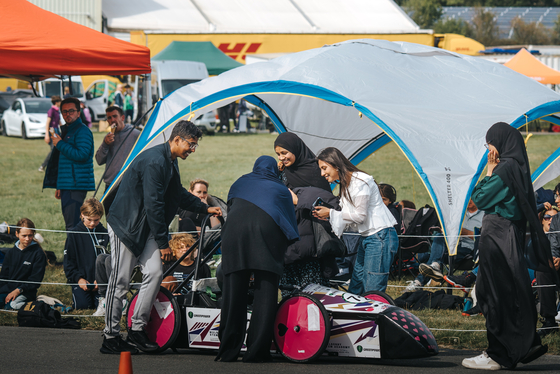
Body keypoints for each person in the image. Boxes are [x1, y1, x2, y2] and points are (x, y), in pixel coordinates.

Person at [101, 120, 222, 355]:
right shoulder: (156, 161)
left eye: (195, 146)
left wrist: (204, 208)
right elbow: (154, 204)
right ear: (177, 139)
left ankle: (136, 329)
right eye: (191, 144)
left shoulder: (171, 161)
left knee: (156, 273)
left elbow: (177, 194)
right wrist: (164, 242)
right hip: (126, 227)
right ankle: (110, 336)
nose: (192, 150)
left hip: (145, 228)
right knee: (120, 281)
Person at [462, 122, 554, 370]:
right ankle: (512, 348)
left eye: (489, 143)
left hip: (498, 235)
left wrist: (490, 170)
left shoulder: (504, 169)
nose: (488, 148)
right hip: (508, 234)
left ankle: (498, 354)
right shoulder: (518, 166)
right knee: (503, 291)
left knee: (495, 293)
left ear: (500, 142)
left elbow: (479, 198)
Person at [216, 156, 298, 362]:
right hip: (265, 240)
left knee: (233, 294)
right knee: (265, 294)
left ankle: (228, 349)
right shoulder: (280, 189)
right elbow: (289, 223)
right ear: (274, 170)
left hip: (234, 239)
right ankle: (257, 351)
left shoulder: (239, 183)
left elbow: (232, 208)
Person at [313, 147, 398, 294]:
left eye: (324, 168)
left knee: (372, 288)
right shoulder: (347, 184)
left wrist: (332, 213)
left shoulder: (360, 181)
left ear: (335, 164)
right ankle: (354, 316)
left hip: (380, 236)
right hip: (369, 237)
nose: (322, 173)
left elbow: (360, 216)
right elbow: (351, 217)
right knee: (356, 284)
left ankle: (373, 316)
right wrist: (329, 215)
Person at [274, 133, 336, 294]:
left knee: (313, 292)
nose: (281, 157)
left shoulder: (315, 170)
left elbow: (326, 200)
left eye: (284, 153)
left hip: (312, 240)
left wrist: (299, 200)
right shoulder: (283, 172)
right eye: (278, 154)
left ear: (295, 149)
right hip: (288, 235)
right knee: (289, 290)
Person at [43, 97, 95, 231]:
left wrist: (60, 144)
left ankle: (72, 252)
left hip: (75, 185)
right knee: (71, 224)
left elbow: (82, 155)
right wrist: (60, 185)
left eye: (71, 111)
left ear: (79, 112)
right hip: (68, 184)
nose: (67, 114)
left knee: (73, 226)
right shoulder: (68, 130)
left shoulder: (82, 131)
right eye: (64, 111)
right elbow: (64, 161)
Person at [63, 198, 108, 310]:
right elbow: (68, 263)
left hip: (101, 282)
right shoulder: (73, 235)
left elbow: (110, 259)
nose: (93, 223)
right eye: (89, 220)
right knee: (82, 306)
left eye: (96, 220)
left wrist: (102, 279)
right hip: (82, 281)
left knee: (103, 306)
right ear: (82, 215)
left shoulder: (105, 234)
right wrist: (79, 279)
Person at [95, 106, 141, 213]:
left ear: (122, 117)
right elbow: (99, 160)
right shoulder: (108, 136)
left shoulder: (135, 134)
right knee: (110, 217)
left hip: (128, 184)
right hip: (110, 185)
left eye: (115, 116)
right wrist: (105, 144)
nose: (112, 120)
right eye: (109, 118)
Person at [0, 218, 47, 310]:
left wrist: (18, 290)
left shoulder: (38, 254)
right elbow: (3, 277)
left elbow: (35, 281)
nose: (27, 239)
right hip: (7, 290)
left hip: (25, 292)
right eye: (24, 236)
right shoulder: (10, 253)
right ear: (17, 234)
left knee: (11, 306)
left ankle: (39, 305)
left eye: (30, 235)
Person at [38, 95, 62, 172]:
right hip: (52, 130)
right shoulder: (51, 110)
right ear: (56, 102)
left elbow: (59, 122)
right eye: (60, 102)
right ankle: (43, 166)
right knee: (54, 150)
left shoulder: (57, 110)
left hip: (56, 130)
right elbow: (48, 123)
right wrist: (47, 135)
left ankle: (54, 167)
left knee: (57, 149)